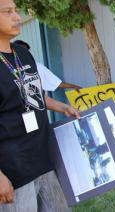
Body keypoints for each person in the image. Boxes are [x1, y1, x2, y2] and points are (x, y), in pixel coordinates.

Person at [0, 0, 80, 211]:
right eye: (8, 12)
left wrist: (63, 108)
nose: (17, 17)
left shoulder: (22, 53)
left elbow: (34, 96)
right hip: (13, 171)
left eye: (16, 11)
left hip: (45, 160)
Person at [13, 40, 82, 92]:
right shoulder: (6, 68)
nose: (25, 53)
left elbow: (54, 81)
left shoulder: (36, 66)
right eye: (21, 50)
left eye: (26, 50)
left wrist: (73, 86)